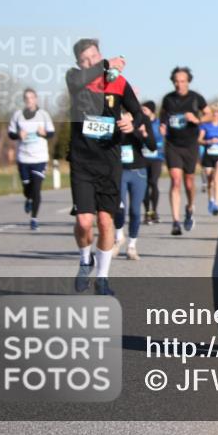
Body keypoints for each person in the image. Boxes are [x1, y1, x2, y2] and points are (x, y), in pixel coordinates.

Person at [65, 39, 141, 296]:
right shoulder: (75, 78)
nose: (91, 62)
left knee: (106, 222)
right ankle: (85, 259)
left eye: (95, 57)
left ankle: (103, 278)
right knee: (85, 222)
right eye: (85, 60)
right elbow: (79, 81)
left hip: (109, 161)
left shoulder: (118, 82)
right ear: (79, 63)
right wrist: (107, 64)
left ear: (100, 54)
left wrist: (132, 122)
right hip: (82, 160)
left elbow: (137, 111)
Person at [160, 67, 207, 235]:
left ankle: (189, 207)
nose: (179, 85)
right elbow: (163, 116)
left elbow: (208, 114)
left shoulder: (196, 98)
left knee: (188, 181)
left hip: (190, 144)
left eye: (183, 81)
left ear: (188, 81)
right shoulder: (168, 99)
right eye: (176, 82)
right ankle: (175, 221)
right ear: (173, 82)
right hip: (173, 144)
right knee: (175, 180)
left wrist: (196, 119)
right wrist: (163, 125)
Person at [8, 88, 55, 230]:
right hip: (23, 157)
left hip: (39, 157)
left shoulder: (43, 115)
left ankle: (34, 219)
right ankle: (28, 199)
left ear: (36, 99)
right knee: (27, 188)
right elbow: (10, 133)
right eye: (26, 98)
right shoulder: (17, 115)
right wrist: (18, 135)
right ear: (24, 100)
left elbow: (51, 133)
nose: (29, 100)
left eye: (31, 98)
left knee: (36, 188)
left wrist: (44, 133)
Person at [115, 104, 157, 260]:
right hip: (119, 170)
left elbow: (152, 146)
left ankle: (132, 246)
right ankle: (118, 237)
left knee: (134, 210)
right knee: (119, 207)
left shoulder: (142, 119)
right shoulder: (114, 118)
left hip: (138, 171)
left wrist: (143, 134)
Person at [140, 100, 164, 224]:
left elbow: (166, 139)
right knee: (144, 184)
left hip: (156, 157)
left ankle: (154, 211)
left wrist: (164, 135)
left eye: (144, 110)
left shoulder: (160, 124)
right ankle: (147, 212)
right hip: (143, 157)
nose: (142, 112)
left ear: (152, 111)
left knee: (153, 182)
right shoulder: (140, 123)